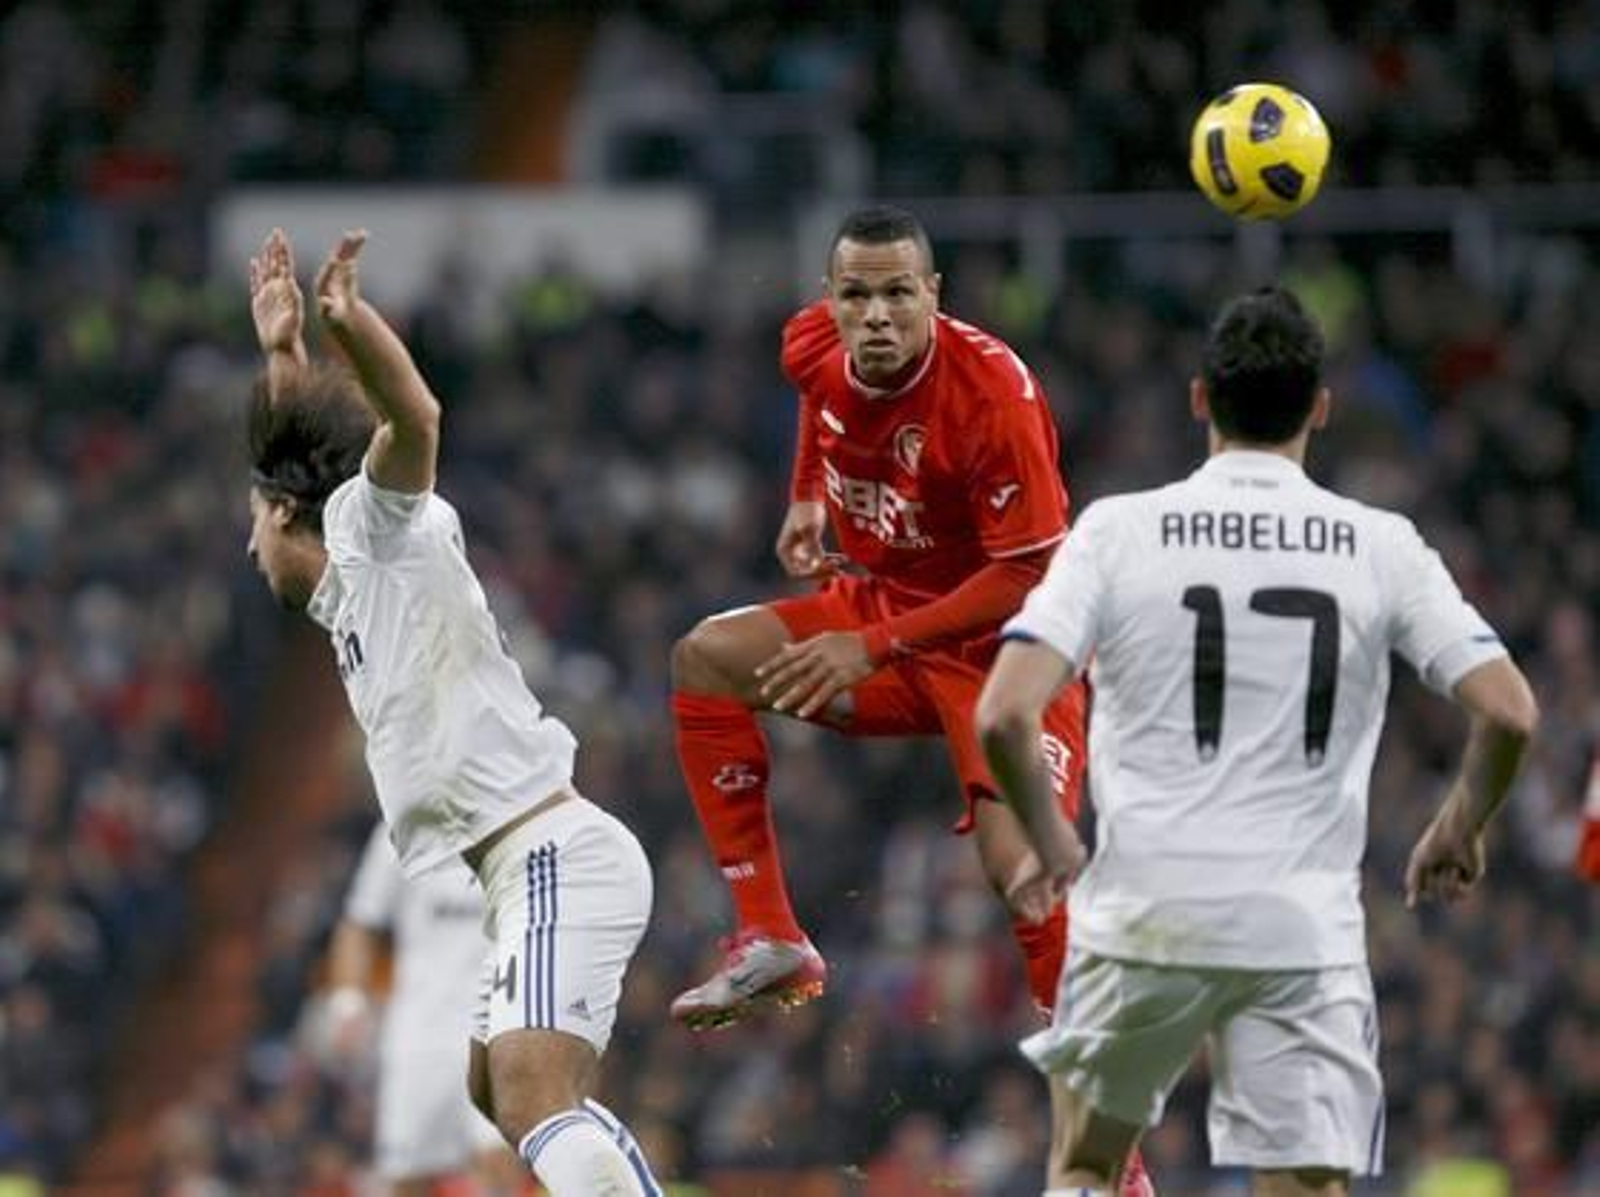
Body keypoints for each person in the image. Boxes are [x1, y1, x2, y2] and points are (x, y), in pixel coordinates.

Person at [975, 286, 1539, 1197]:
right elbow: (1510, 710)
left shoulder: (1116, 531)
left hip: (1144, 908)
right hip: (1299, 928)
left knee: (1086, 1166)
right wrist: (1460, 823)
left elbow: (1003, 711)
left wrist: (1051, 837)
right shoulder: (1380, 544)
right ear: (1321, 407)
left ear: (1200, 398)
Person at [669, 203, 1155, 1195]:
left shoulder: (992, 394)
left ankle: (1116, 1167)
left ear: (933, 295)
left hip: (1011, 653)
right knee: (705, 659)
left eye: (899, 293)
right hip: (887, 609)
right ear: (830, 301)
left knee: (1024, 874)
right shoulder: (814, 344)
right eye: (857, 295)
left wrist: (870, 645)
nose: (878, 315)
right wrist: (806, 496)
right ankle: (773, 936)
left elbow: (1031, 572)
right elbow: (819, 398)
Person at [245, 228, 660, 1197]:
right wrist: (283, 354)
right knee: (494, 1090)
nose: (250, 549)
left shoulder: (375, 529)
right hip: (518, 870)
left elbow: (416, 418)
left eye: (254, 525)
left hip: (550, 855)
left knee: (528, 1093)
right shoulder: (351, 591)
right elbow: (299, 455)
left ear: (285, 514)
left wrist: (348, 324)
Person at [319, 821, 517, 1196]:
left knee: (499, 1159)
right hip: (420, 1037)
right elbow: (359, 922)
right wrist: (348, 1003)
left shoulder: (517, 820)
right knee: (408, 1178)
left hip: (500, 1028)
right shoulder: (402, 827)